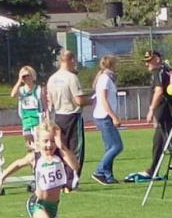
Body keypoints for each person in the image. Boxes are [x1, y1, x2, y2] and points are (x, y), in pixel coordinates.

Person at [142, 50, 172, 178]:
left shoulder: (159, 72)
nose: (147, 64)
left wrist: (151, 109)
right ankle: (156, 169)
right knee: (160, 141)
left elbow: (159, 91)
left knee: (169, 140)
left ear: (157, 59)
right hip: (169, 109)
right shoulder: (167, 71)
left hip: (164, 110)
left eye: (149, 61)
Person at [45, 50, 88, 177]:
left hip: (58, 116)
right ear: (72, 60)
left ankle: (61, 177)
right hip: (72, 116)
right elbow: (79, 101)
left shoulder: (52, 79)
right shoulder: (72, 78)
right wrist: (91, 100)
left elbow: (49, 101)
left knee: (62, 148)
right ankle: (73, 178)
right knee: (75, 149)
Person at [91, 55, 123, 185]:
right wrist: (113, 116)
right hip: (104, 116)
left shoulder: (108, 78)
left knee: (110, 147)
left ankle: (108, 176)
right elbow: (103, 100)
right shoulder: (105, 78)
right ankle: (99, 171)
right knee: (117, 146)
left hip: (105, 115)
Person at [11, 65, 45, 152]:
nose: (26, 78)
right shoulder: (21, 90)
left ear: (33, 76)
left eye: (28, 75)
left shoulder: (39, 89)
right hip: (26, 120)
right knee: (29, 144)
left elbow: (45, 104)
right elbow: (13, 95)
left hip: (38, 119)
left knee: (38, 144)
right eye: (24, 76)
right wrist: (19, 80)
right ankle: (32, 158)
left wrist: (46, 117)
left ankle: (39, 158)